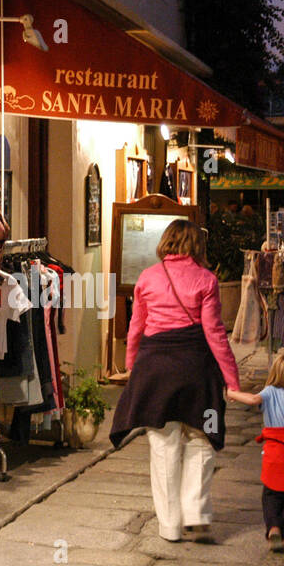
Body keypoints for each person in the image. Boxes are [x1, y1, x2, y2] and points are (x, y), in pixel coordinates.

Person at [109, 219, 240, 543]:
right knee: (202, 436)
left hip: (155, 370)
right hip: (196, 369)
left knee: (163, 445)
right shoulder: (206, 279)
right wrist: (231, 379)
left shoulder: (147, 277)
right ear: (197, 246)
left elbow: (136, 326)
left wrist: (131, 367)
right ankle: (195, 513)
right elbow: (215, 333)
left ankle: (169, 525)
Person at [227, 351, 284, 553]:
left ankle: (274, 526)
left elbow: (252, 399)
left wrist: (231, 393)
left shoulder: (270, 392)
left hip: (274, 449)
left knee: (271, 492)